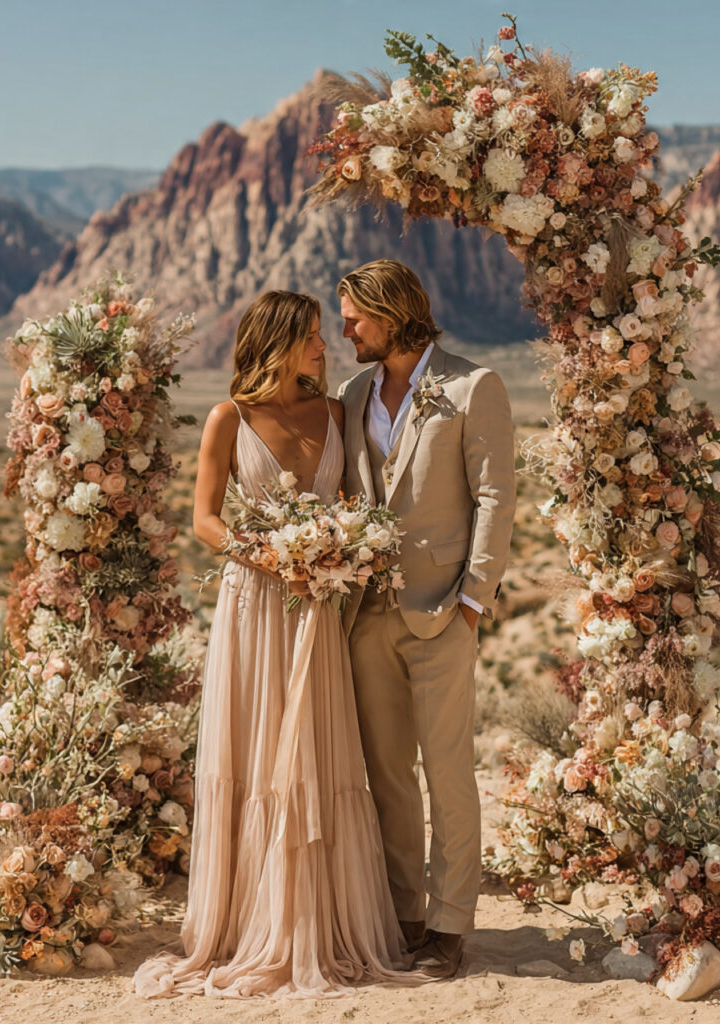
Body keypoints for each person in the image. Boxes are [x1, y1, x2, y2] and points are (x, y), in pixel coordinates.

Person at [134, 290, 410, 998]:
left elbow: (350, 503)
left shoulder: (334, 413)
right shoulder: (230, 418)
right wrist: (276, 555)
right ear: (281, 343)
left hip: (317, 608)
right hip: (255, 605)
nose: (325, 347)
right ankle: (242, 922)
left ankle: (317, 917)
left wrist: (336, 549)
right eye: (313, 337)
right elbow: (203, 521)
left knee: (319, 750)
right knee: (252, 751)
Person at [337, 259, 517, 978]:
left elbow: (496, 498)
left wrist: (474, 600)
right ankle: (405, 913)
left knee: (448, 774)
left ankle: (450, 925)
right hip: (366, 617)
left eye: (354, 317)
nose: (345, 329)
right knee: (387, 775)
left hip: (445, 613)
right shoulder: (352, 394)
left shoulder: (475, 387)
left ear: (390, 313)